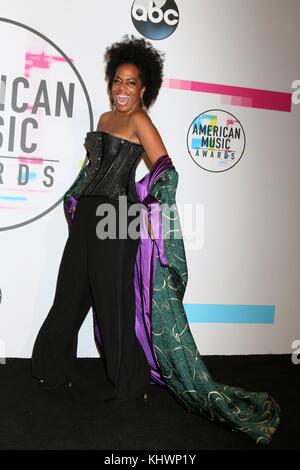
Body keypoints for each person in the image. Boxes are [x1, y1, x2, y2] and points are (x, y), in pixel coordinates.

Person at [32, 35, 280, 445]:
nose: (122, 89)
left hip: (119, 216)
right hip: (90, 216)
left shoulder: (140, 121)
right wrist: (75, 200)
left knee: (113, 303)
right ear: (110, 83)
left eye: (131, 83)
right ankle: (51, 369)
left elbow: (166, 169)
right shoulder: (106, 120)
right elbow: (92, 169)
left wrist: (152, 211)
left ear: (144, 88)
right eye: (117, 81)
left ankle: (129, 384)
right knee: (70, 291)